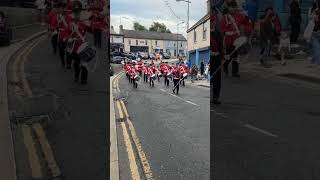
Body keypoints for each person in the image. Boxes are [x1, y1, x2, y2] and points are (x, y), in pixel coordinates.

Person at [69, 0, 91, 84]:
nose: (76, 15)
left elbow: (91, 31)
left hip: (83, 46)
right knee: (76, 64)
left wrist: (90, 23)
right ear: (73, 14)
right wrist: (69, 39)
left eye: (78, 13)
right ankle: (76, 75)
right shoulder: (70, 24)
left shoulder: (83, 23)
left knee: (84, 64)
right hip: (74, 47)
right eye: (75, 13)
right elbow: (67, 33)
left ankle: (84, 79)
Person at [220, 8, 240, 77]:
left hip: (235, 40)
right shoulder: (223, 20)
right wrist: (230, 33)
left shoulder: (233, 20)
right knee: (230, 56)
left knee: (236, 57)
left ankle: (235, 72)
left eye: (230, 14)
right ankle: (225, 65)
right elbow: (223, 31)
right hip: (228, 41)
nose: (229, 15)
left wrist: (237, 32)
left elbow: (236, 28)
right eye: (228, 13)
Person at [211, 12, 224, 105]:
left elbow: (221, 46)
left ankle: (215, 97)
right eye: (211, 22)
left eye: (213, 21)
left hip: (217, 58)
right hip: (210, 59)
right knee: (211, 78)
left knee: (217, 79)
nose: (213, 23)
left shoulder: (218, 33)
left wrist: (224, 55)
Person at [56, 2, 72, 68]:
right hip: (61, 36)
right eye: (61, 8)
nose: (62, 9)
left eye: (63, 8)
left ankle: (68, 63)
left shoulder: (69, 16)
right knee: (61, 51)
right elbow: (56, 26)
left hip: (68, 35)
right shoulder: (58, 16)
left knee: (69, 50)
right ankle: (62, 61)